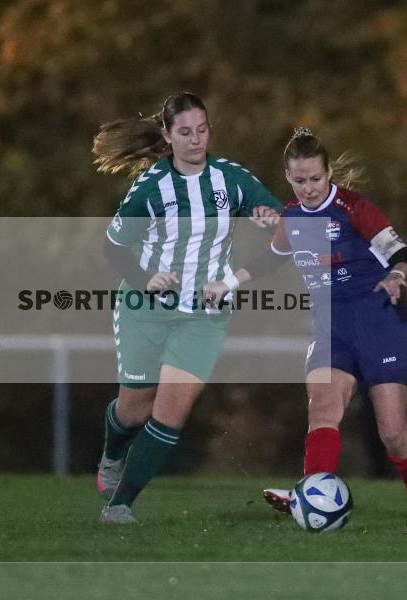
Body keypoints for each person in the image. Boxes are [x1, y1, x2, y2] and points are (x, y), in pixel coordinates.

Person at [92, 92, 282, 524]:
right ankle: (112, 452)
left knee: (170, 414)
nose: (196, 140)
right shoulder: (150, 188)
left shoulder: (231, 179)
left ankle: (119, 505)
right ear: (167, 135)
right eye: (185, 132)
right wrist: (145, 278)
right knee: (133, 410)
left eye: (202, 130)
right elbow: (113, 247)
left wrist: (270, 218)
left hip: (204, 314)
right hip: (146, 308)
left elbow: (276, 219)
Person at [255, 128, 407, 533]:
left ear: (328, 173)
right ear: (288, 177)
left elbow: (402, 253)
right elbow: (270, 259)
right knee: (322, 408)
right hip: (332, 327)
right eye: (299, 180)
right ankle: (308, 493)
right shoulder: (291, 218)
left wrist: (397, 274)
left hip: (379, 321)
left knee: (393, 433)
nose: (308, 187)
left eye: (315, 178)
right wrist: (227, 283)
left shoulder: (355, 207)